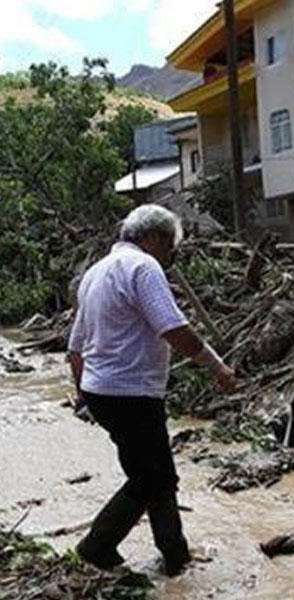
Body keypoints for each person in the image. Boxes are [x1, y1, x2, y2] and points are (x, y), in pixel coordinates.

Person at [67, 204, 236, 576]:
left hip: (103, 391)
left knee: (155, 472)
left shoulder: (96, 272)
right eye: (170, 248)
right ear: (154, 237)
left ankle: (175, 555)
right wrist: (217, 366)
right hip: (131, 392)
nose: (171, 257)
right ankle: (96, 547)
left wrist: (83, 397)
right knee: (152, 477)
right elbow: (173, 328)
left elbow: (75, 348)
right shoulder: (143, 267)